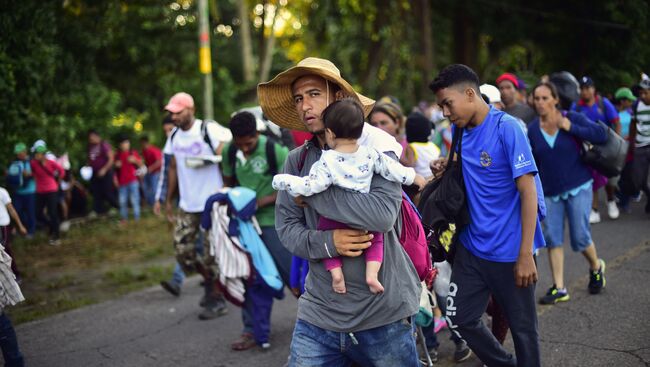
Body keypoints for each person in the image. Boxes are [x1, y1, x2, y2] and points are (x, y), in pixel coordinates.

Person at [259, 57, 421, 366]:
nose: (305, 104)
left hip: (382, 312)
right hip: (319, 314)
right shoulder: (297, 161)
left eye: (314, 94)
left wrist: (310, 194)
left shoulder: (375, 151)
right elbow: (287, 227)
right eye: (298, 98)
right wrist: (329, 242)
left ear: (338, 97)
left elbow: (382, 215)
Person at [429, 64, 545, 367]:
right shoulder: (459, 128)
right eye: (441, 106)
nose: (444, 112)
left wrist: (525, 254)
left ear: (469, 94)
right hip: (471, 246)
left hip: (510, 250)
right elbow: (469, 169)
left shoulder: (508, 128)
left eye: (447, 104)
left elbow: (528, 191)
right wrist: (447, 165)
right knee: (459, 317)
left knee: (523, 331)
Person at [273, 98, 425, 295]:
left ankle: (336, 275)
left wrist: (283, 181)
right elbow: (394, 170)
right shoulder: (371, 154)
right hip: (365, 219)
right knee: (376, 239)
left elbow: (312, 185)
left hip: (334, 219)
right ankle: (372, 275)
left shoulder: (326, 159)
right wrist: (415, 177)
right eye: (299, 98)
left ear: (330, 133)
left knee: (324, 232)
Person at [528, 82, 608, 305]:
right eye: (537, 98)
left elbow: (600, 134)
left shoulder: (571, 116)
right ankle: (559, 288)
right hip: (551, 192)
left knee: (580, 237)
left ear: (555, 99)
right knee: (553, 239)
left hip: (578, 186)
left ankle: (596, 266)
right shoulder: (533, 129)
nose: (541, 103)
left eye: (545, 98)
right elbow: (532, 162)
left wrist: (570, 126)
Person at [221, 111, 292, 351]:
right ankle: (250, 329)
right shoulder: (229, 152)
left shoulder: (276, 151)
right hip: (244, 226)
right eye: (240, 145)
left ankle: (322, 325)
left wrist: (259, 202)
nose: (245, 149)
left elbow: (289, 188)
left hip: (273, 222)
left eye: (249, 144)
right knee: (249, 277)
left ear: (257, 135)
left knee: (291, 274)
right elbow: (228, 184)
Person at [162, 92, 232, 319]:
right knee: (182, 251)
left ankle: (216, 297)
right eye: (171, 113)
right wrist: (167, 198)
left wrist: (219, 162)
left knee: (212, 253)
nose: (174, 117)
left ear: (191, 109)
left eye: (178, 112)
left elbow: (229, 149)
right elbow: (172, 167)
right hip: (188, 204)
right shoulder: (173, 136)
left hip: (212, 202)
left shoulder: (207, 129)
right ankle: (210, 282)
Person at [570, 76, 621, 223]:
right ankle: (595, 209)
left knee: (609, 179)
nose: (585, 91)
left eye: (588, 88)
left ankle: (611, 201)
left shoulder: (602, 103)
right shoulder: (576, 107)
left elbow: (616, 121)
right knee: (592, 180)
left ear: (593, 89)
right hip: (587, 149)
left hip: (605, 146)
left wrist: (616, 142)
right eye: (583, 89)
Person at [31, 143, 65, 245]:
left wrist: (58, 182)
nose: (36, 156)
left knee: (52, 212)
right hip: (40, 191)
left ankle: (56, 236)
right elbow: (33, 173)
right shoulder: (33, 163)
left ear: (43, 154)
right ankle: (51, 225)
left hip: (51, 190)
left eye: (38, 154)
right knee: (38, 213)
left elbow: (62, 171)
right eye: (35, 154)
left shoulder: (51, 163)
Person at [368, 101, 415, 167]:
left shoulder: (411, 146)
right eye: (374, 124)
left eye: (383, 123)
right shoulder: (367, 147)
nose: (378, 128)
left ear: (397, 123)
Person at [629, 79, 650, 213]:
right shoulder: (636, 105)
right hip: (640, 145)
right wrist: (631, 143)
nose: (642, 96)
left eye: (646, 93)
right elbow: (633, 124)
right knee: (638, 180)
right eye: (641, 93)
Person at [6, 143, 36, 236]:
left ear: (25, 151)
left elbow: (37, 174)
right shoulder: (14, 162)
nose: (18, 155)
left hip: (30, 191)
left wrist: (29, 175)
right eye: (17, 153)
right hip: (18, 192)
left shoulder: (31, 161)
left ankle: (31, 232)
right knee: (17, 211)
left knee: (31, 212)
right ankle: (20, 229)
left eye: (20, 153)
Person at [87, 130, 118, 215]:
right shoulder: (90, 146)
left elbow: (111, 159)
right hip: (95, 172)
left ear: (97, 136)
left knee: (108, 191)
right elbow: (91, 159)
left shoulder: (104, 145)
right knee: (96, 191)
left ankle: (115, 206)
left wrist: (104, 169)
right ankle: (98, 210)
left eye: (92, 137)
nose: (91, 139)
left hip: (106, 172)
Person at [114, 136, 143, 223]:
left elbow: (141, 164)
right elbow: (114, 170)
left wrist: (135, 161)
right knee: (122, 202)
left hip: (133, 180)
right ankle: (124, 219)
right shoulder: (117, 155)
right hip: (122, 182)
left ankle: (137, 219)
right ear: (120, 145)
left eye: (127, 143)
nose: (126, 145)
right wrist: (116, 166)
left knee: (135, 200)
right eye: (124, 143)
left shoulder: (133, 153)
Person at [0, 186, 27, 280]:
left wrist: (20, 226)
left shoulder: (2, 192)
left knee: (5, 250)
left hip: (3, 226)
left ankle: (15, 274)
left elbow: (11, 210)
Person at [140, 136, 162, 207]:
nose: (142, 145)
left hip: (156, 172)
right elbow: (145, 161)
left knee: (154, 188)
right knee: (145, 188)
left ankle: (156, 204)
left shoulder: (153, 150)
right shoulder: (144, 151)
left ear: (146, 142)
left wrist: (151, 168)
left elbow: (159, 161)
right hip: (148, 172)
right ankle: (151, 204)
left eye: (143, 143)